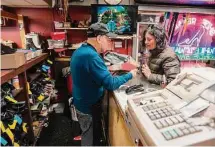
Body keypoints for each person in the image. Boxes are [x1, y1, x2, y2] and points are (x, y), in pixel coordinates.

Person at [70, 22, 138, 146]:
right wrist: (131, 74)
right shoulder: (91, 56)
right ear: (99, 38)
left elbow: (95, 71)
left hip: (82, 102)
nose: (109, 42)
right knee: (90, 138)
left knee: (90, 133)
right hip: (88, 107)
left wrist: (117, 67)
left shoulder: (83, 50)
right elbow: (110, 83)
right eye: (107, 38)